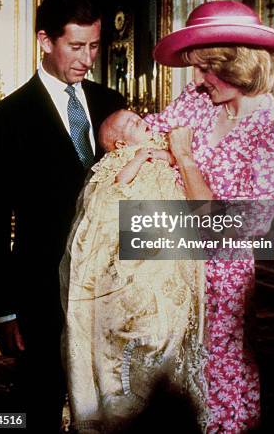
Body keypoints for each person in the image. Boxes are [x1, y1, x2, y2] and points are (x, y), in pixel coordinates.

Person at [145, 0, 274, 432]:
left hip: (220, 283)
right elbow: (142, 136)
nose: (196, 79)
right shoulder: (199, 102)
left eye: (206, 68)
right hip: (169, 268)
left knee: (215, 388)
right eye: (194, 67)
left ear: (238, 64)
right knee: (164, 390)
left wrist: (182, 157)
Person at [0, 0, 125, 432]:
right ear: (45, 41)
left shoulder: (111, 104)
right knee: (39, 404)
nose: (87, 58)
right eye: (76, 46)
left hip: (110, 288)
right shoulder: (4, 118)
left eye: (95, 46)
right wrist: (1, 311)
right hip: (40, 294)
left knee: (108, 401)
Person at [60, 109, 205, 433]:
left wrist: (163, 154)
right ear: (120, 143)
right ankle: (129, 404)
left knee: (172, 310)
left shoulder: (157, 143)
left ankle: (165, 393)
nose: (137, 119)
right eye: (128, 123)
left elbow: (172, 159)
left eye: (135, 115)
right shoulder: (120, 159)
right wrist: (139, 158)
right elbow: (118, 183)